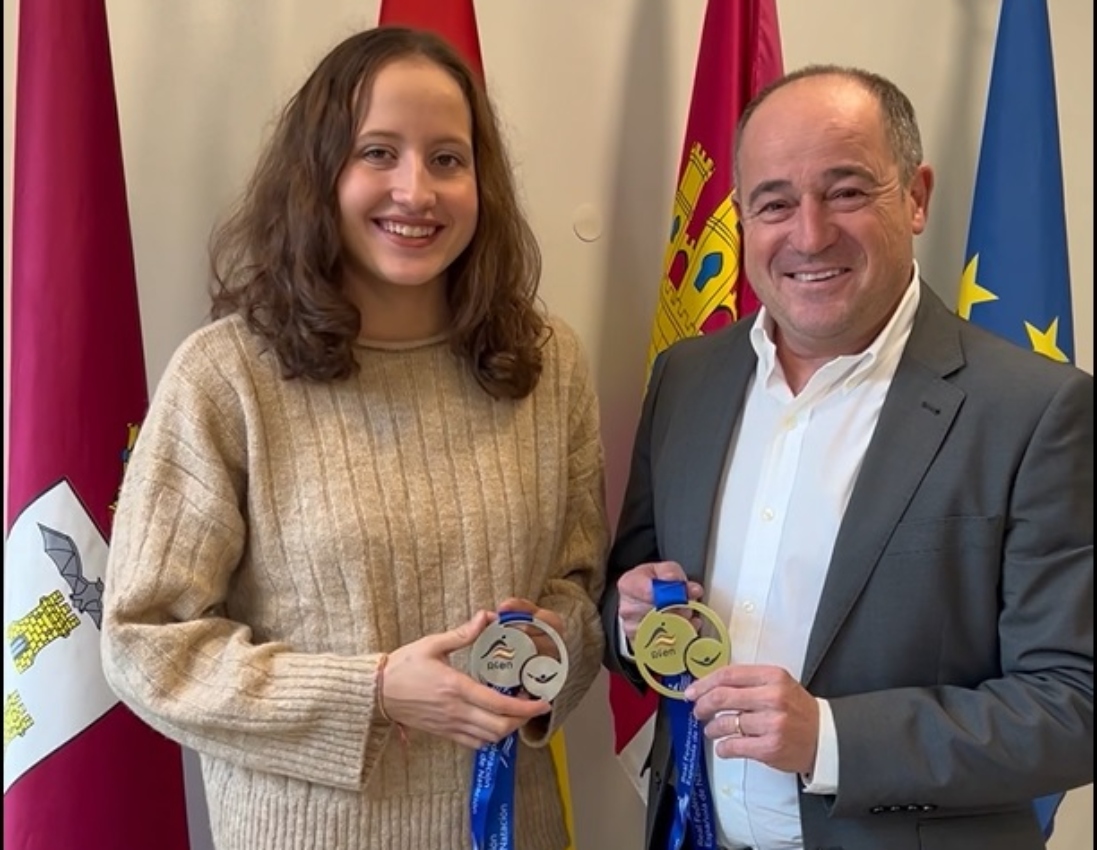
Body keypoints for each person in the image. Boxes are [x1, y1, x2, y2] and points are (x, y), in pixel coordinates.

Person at [101, 26, 608, 850]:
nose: (416, 191)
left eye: (448, 158)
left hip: (513, 827)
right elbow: (144, 643)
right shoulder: (226, 375)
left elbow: (578, 591)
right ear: (319, 173)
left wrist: (543, 650)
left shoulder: (547, 366)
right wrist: (371, 693)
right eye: (378, 153)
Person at [601, 65, 1093, 850]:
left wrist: (830, 739)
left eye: (846, 191)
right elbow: (624, 610)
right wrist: (631, 622)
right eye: (773, 203)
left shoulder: (1036, 411)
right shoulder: (686, 379)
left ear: (916, 195)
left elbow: (1073, 704)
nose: (808, 234)